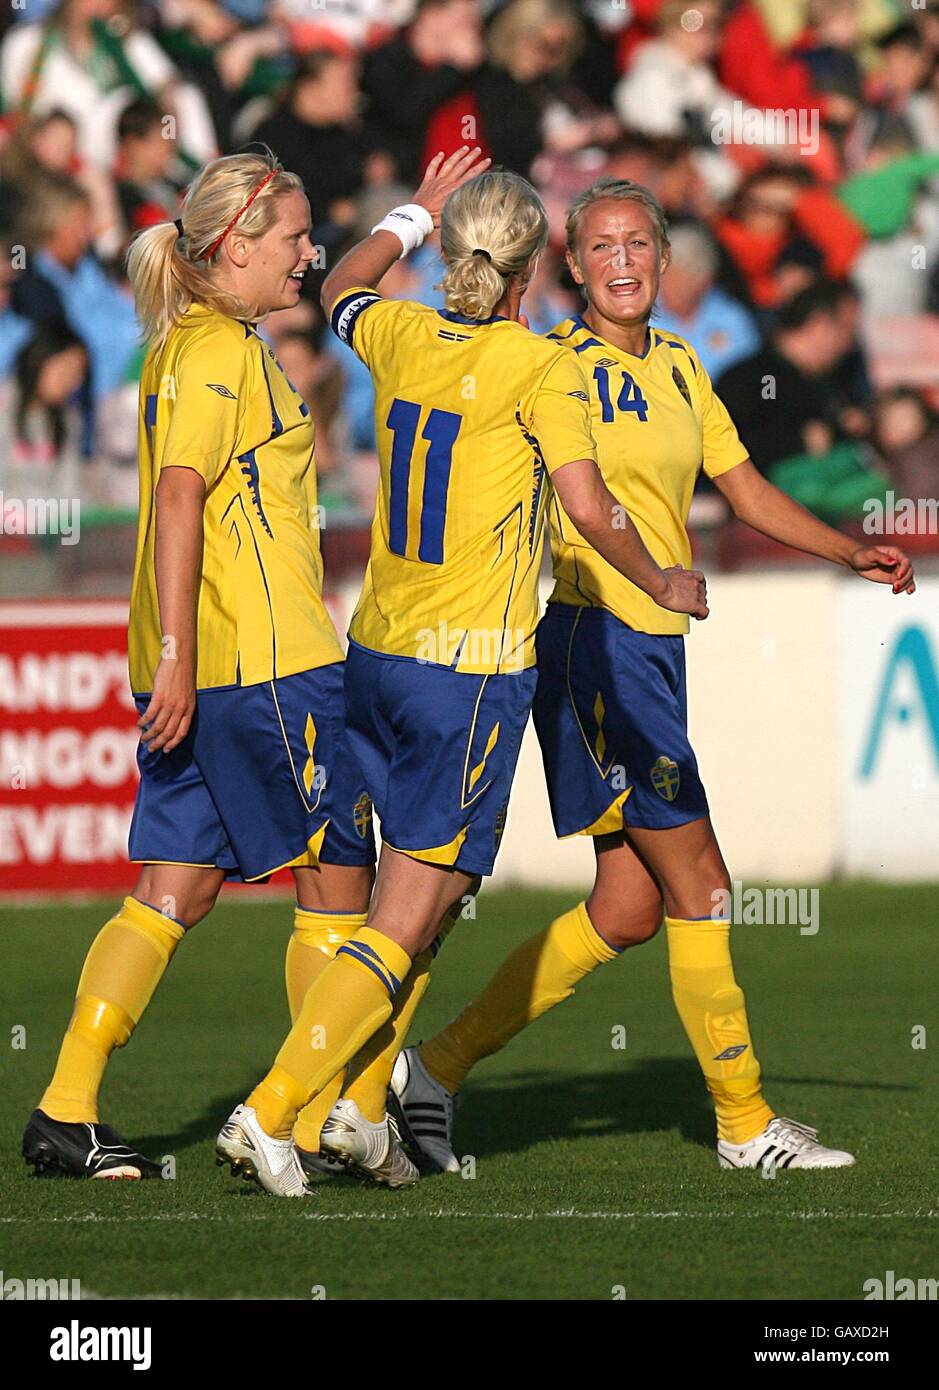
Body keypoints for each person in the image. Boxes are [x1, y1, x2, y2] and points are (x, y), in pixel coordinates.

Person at [392, 176, 916, 1177]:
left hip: (650, 651)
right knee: (706, 885)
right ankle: (742, 1119)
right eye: (601, 245)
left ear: (666, 261)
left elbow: (746, 486)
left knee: (629, 909)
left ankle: (435, 1069)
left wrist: (849, 551)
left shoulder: (681, 364)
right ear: (573, 267)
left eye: (640, 242)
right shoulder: (550, 365)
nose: (623, 259)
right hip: (596, 646)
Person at [216, 151, 708, 1195]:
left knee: (427, 901)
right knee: (413, 905)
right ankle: (271, 1110)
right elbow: (588, 507)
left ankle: (356, 1111)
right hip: (468, 672)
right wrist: (659, 573)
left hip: (377, 650)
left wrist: (408, 211)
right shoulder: (543, 368)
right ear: (538, 270)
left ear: (451, 252)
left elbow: (344, 283)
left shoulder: (397, 333)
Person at [21, 149, 376, 1191]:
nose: (309, 257)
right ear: (234, 246)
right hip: (260, 663)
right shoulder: (220, 349)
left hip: (200, 665)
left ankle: (66, 1108)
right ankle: (303, 1116)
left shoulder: (191, 343)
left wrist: (171, 660)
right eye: (294, 239)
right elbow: (179, 497)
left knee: (172, 890)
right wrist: (181, 656)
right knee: (337, 886)